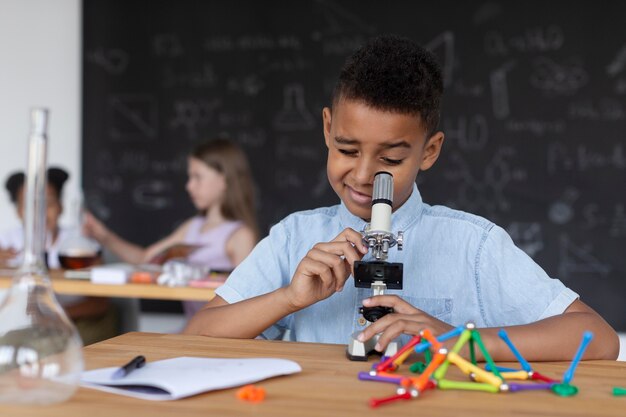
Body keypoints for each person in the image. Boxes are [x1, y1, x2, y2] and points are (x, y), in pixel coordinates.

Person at [183, 35, 619, 361]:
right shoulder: (293, 236)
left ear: (429, 151)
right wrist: (289, 299)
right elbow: (195, 334)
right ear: (326, 129)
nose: (363, 174)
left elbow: (596, 337)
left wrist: (454, 339)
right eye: (347, 149)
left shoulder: (474, 245)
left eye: (390, 158)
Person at [83, 139, 259, 318]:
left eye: (198, 177)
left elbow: (246, 300)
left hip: (223, 336)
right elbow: (146, 259)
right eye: (190, 177)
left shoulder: (240, 235)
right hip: (196, 331)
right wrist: (104, 236)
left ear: (224, 180)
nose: (189, 186)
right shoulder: (192, 227)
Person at [0, 167, 117, 345]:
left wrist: (53, 316)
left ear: (61, 207)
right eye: (30, 204)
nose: (39, 212)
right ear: (18, 211)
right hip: (28, 324)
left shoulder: (79, 242)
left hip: (79, 320)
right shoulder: (6, 243)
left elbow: (100, 303)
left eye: (48, 203)